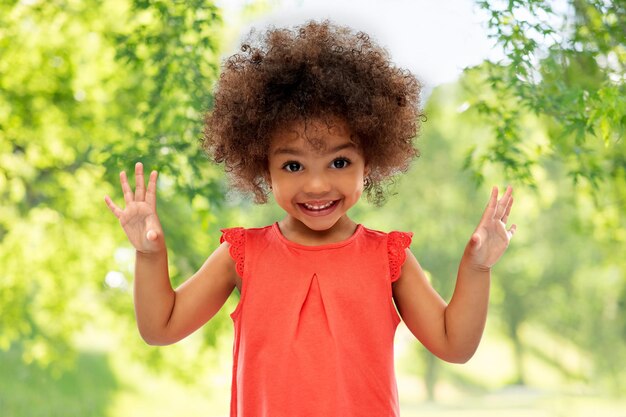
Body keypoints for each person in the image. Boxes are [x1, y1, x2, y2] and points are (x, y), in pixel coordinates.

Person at [104, 20, 516, 417]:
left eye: (339, 161)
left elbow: (454, 344)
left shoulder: (388, 257)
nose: (317, 185)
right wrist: (149, 255)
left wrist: (476, 267)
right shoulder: (241, 254)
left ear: (368, 161)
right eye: (294, 166)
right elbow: (161, 327)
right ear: (263, 168)